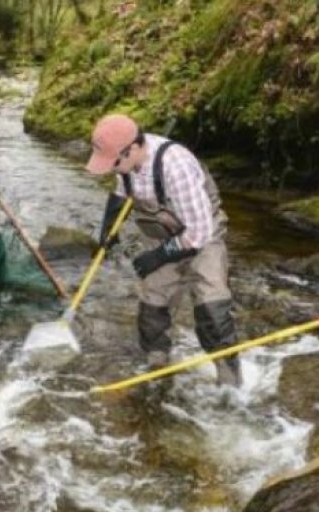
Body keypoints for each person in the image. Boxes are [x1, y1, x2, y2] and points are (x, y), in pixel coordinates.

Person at [85, 113, 241, 386]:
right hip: (162, 231)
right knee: (152, 303)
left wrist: (158, 256)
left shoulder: (175, 167)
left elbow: (199, 233)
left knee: (211, 307)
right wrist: (109, 228)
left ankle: (230, 382)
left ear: (132, 148)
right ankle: (157, 367)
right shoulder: (127, 164)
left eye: (114, 163)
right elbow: (123, 191)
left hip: (203, 232)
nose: (112, 170)